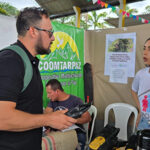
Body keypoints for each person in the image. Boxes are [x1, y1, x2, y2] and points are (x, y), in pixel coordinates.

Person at [0, 7, 77, 150]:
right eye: (50, 32)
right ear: (33, 31)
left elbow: (24, 108)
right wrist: (48, 119)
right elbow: (2, 118)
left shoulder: (29, 61)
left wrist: (50, 117)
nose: (53, 38)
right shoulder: (11, 61)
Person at [44, 79, 91, 150]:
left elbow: (88, 118)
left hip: (76, 133)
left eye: (49, 93)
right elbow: (47, 114)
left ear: (57, 91)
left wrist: (73, 120)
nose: (48, 96)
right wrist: (48, 124)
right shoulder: (52, 101)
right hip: (59, 133)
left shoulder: (75, 100)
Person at [131, 37, 150, 130]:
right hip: (144, 122)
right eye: (144, 48)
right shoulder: (140, 74)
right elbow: (133, 90)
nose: (145, 52)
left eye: (149, 49)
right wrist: (140, 110)